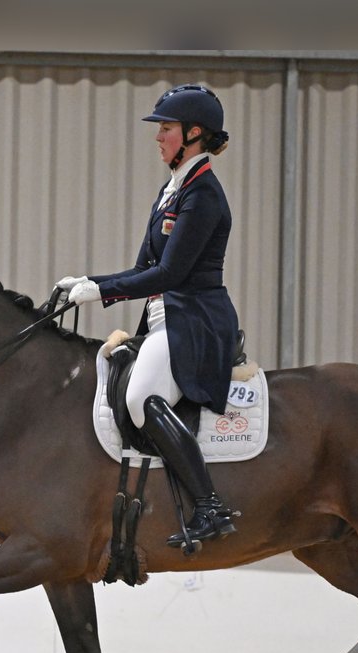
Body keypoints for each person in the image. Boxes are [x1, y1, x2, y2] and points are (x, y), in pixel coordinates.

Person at [55, 83, 241, 548]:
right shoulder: (171, 191)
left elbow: (170, 273)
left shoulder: (204, 195)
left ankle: (209, 507)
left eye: (167, 129)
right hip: (162, 318)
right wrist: (87, 281)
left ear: (194, 133)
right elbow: (144, 270)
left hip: (193, 320)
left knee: (141, 398)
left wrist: (99, 292)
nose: (158, 137)